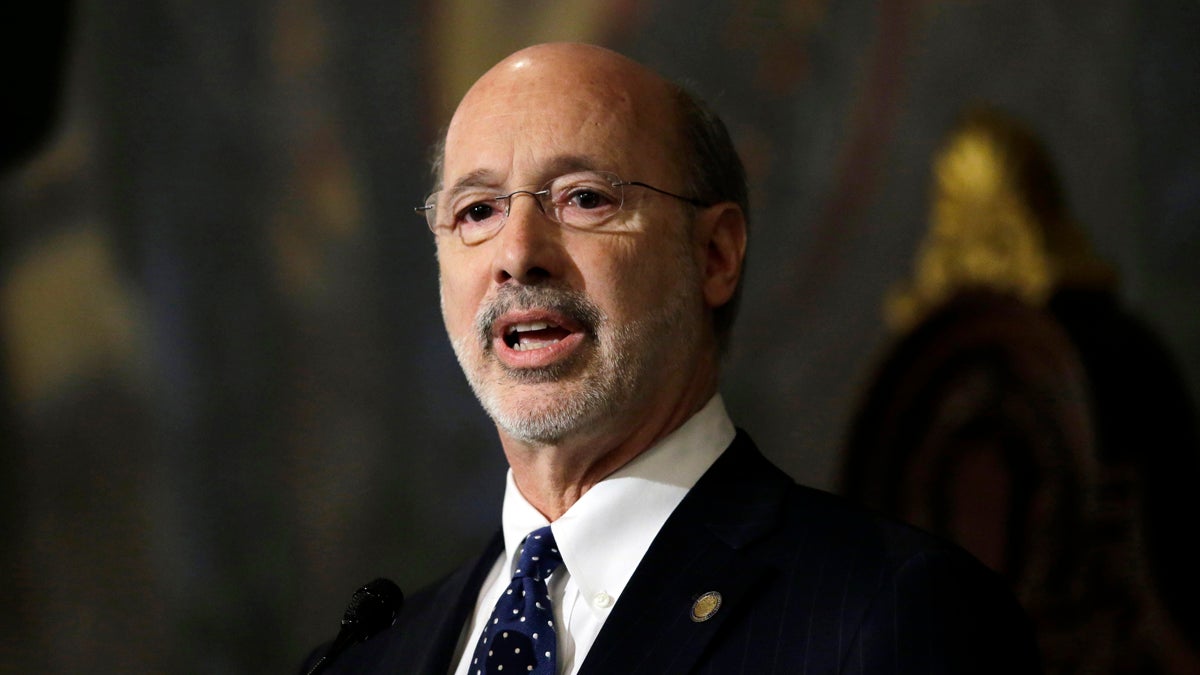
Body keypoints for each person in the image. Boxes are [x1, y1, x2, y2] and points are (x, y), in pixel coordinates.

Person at [303, 42, 1042, 674]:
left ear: (714, 254)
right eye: (476, 211)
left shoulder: (888, 615)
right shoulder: (370, 656)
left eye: (584, 197)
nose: (518, 254)